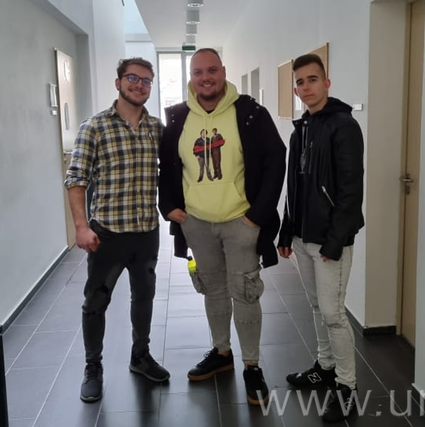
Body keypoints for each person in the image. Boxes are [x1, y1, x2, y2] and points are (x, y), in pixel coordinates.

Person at [158, 48, 286, 406]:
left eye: (212, 70)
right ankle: (222, 352)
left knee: (245, 292)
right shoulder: (178, 117)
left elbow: (276, 160)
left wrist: (257, 215)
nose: (205, 78)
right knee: (213, 290)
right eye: (198, 72)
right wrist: (169, 206)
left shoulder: (249, 113)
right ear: (191, 77)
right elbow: (167, 165)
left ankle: (252, 366)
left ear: (223, 72)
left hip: (240, 221)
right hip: (197, 223)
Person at [65, 57, 170, 403]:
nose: (140, 85)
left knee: (144, 297)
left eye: (146, 81)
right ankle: (93, 367)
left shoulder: (156, 128)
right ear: (119, 82)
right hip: (107, 235)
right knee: (96, 302)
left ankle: (140, 355)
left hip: (146, 232)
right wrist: (81, 226)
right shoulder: (94, 127)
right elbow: (76, 179)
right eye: (133, 78)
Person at [276, 53, 365, 422]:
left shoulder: (344, 126)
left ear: (326, 83)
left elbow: (351, 190)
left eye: (312, 79)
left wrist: (335, 239)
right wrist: (287, 230)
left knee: (333, 314)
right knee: (316, 307)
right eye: (299, 82)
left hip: (329, 242)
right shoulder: (301, 130)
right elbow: (294, 187)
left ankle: (347, 387)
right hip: (302, 238)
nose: (305, 87)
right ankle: (325, 367)